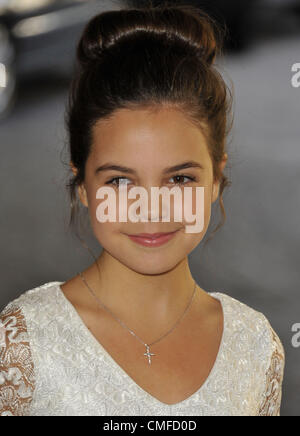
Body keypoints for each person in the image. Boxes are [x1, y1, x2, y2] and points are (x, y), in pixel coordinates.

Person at [0, 4, 284, 416]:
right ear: (82, 185)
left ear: (217, 180)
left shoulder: (256, 345)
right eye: (119, 180)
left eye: (179, 179)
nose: (150, 209)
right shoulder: (22, 345)